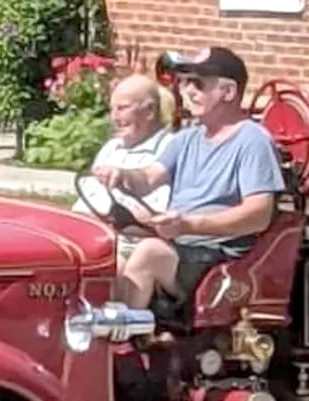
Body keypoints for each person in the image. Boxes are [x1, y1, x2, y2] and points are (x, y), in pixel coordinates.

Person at [93, 47, 286, 313]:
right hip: (182, 246)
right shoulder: (187, 138)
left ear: (228, 92)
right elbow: (149, 178)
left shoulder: (253, 141)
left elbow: (259, 214)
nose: (187, 92)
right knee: (107, 257)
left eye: (198, 84)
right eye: (184, 83)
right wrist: (123, 175)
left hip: (219, 255)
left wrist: (189, 224)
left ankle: (118, 345)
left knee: (149, 253)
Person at [73, 74, 174, 217]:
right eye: (112, 109)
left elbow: (152, 216)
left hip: (126, 236)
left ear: (150, 110)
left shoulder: (169, 149)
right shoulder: (112, 147)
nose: (114, 117)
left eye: (122, 108)